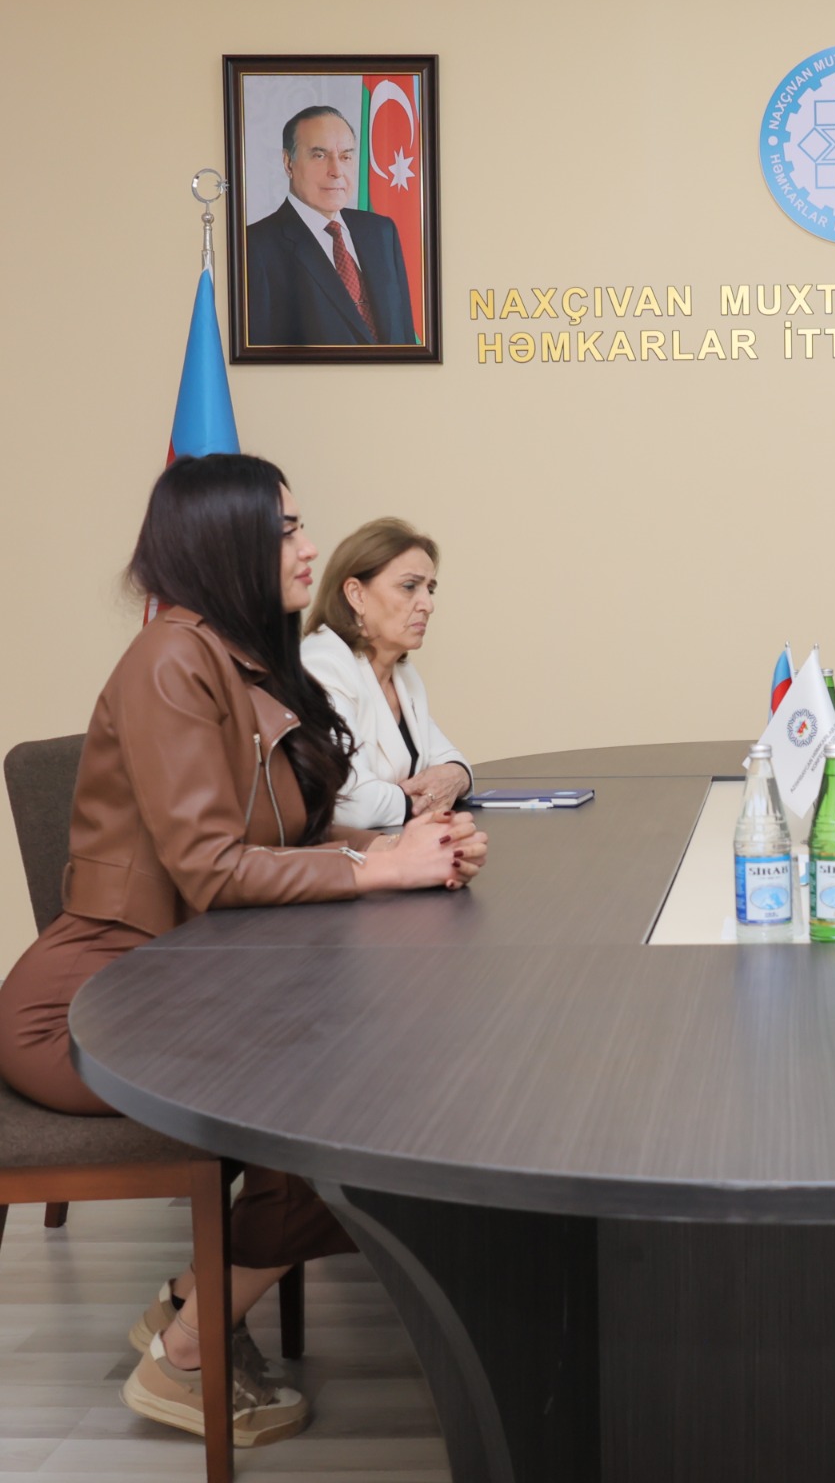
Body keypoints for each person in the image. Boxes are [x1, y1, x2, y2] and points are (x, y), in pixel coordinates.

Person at [0, 454, 488, 1445]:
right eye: (286, 530)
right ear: (223, 541)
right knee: (344, 1108)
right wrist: (374, 872)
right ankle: (186, 1356)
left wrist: (402, 848)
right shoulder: (168, 662)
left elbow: (285, 832)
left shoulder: (247, 660)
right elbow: (212, 867)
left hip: (186, 983)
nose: (309, 547)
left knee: (376, 1078)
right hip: (92, 1011)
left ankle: (195, 1297)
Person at [301, 519, 472, 827]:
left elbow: (451, 761)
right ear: (356, 594)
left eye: (430, 589)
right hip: (349, 856)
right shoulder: (322, 666)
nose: (428, 605)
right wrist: (424, 800)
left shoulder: (401, 671)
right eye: (409, 587)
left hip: (400, 844)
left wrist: (455, 776)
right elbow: (351, 804)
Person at [245, 105, 417, 348]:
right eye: (319, 155)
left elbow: (405, 339)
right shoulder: (254, 247)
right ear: (288, 163)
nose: (336, 171)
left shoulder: (381, 232)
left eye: (345, 157)